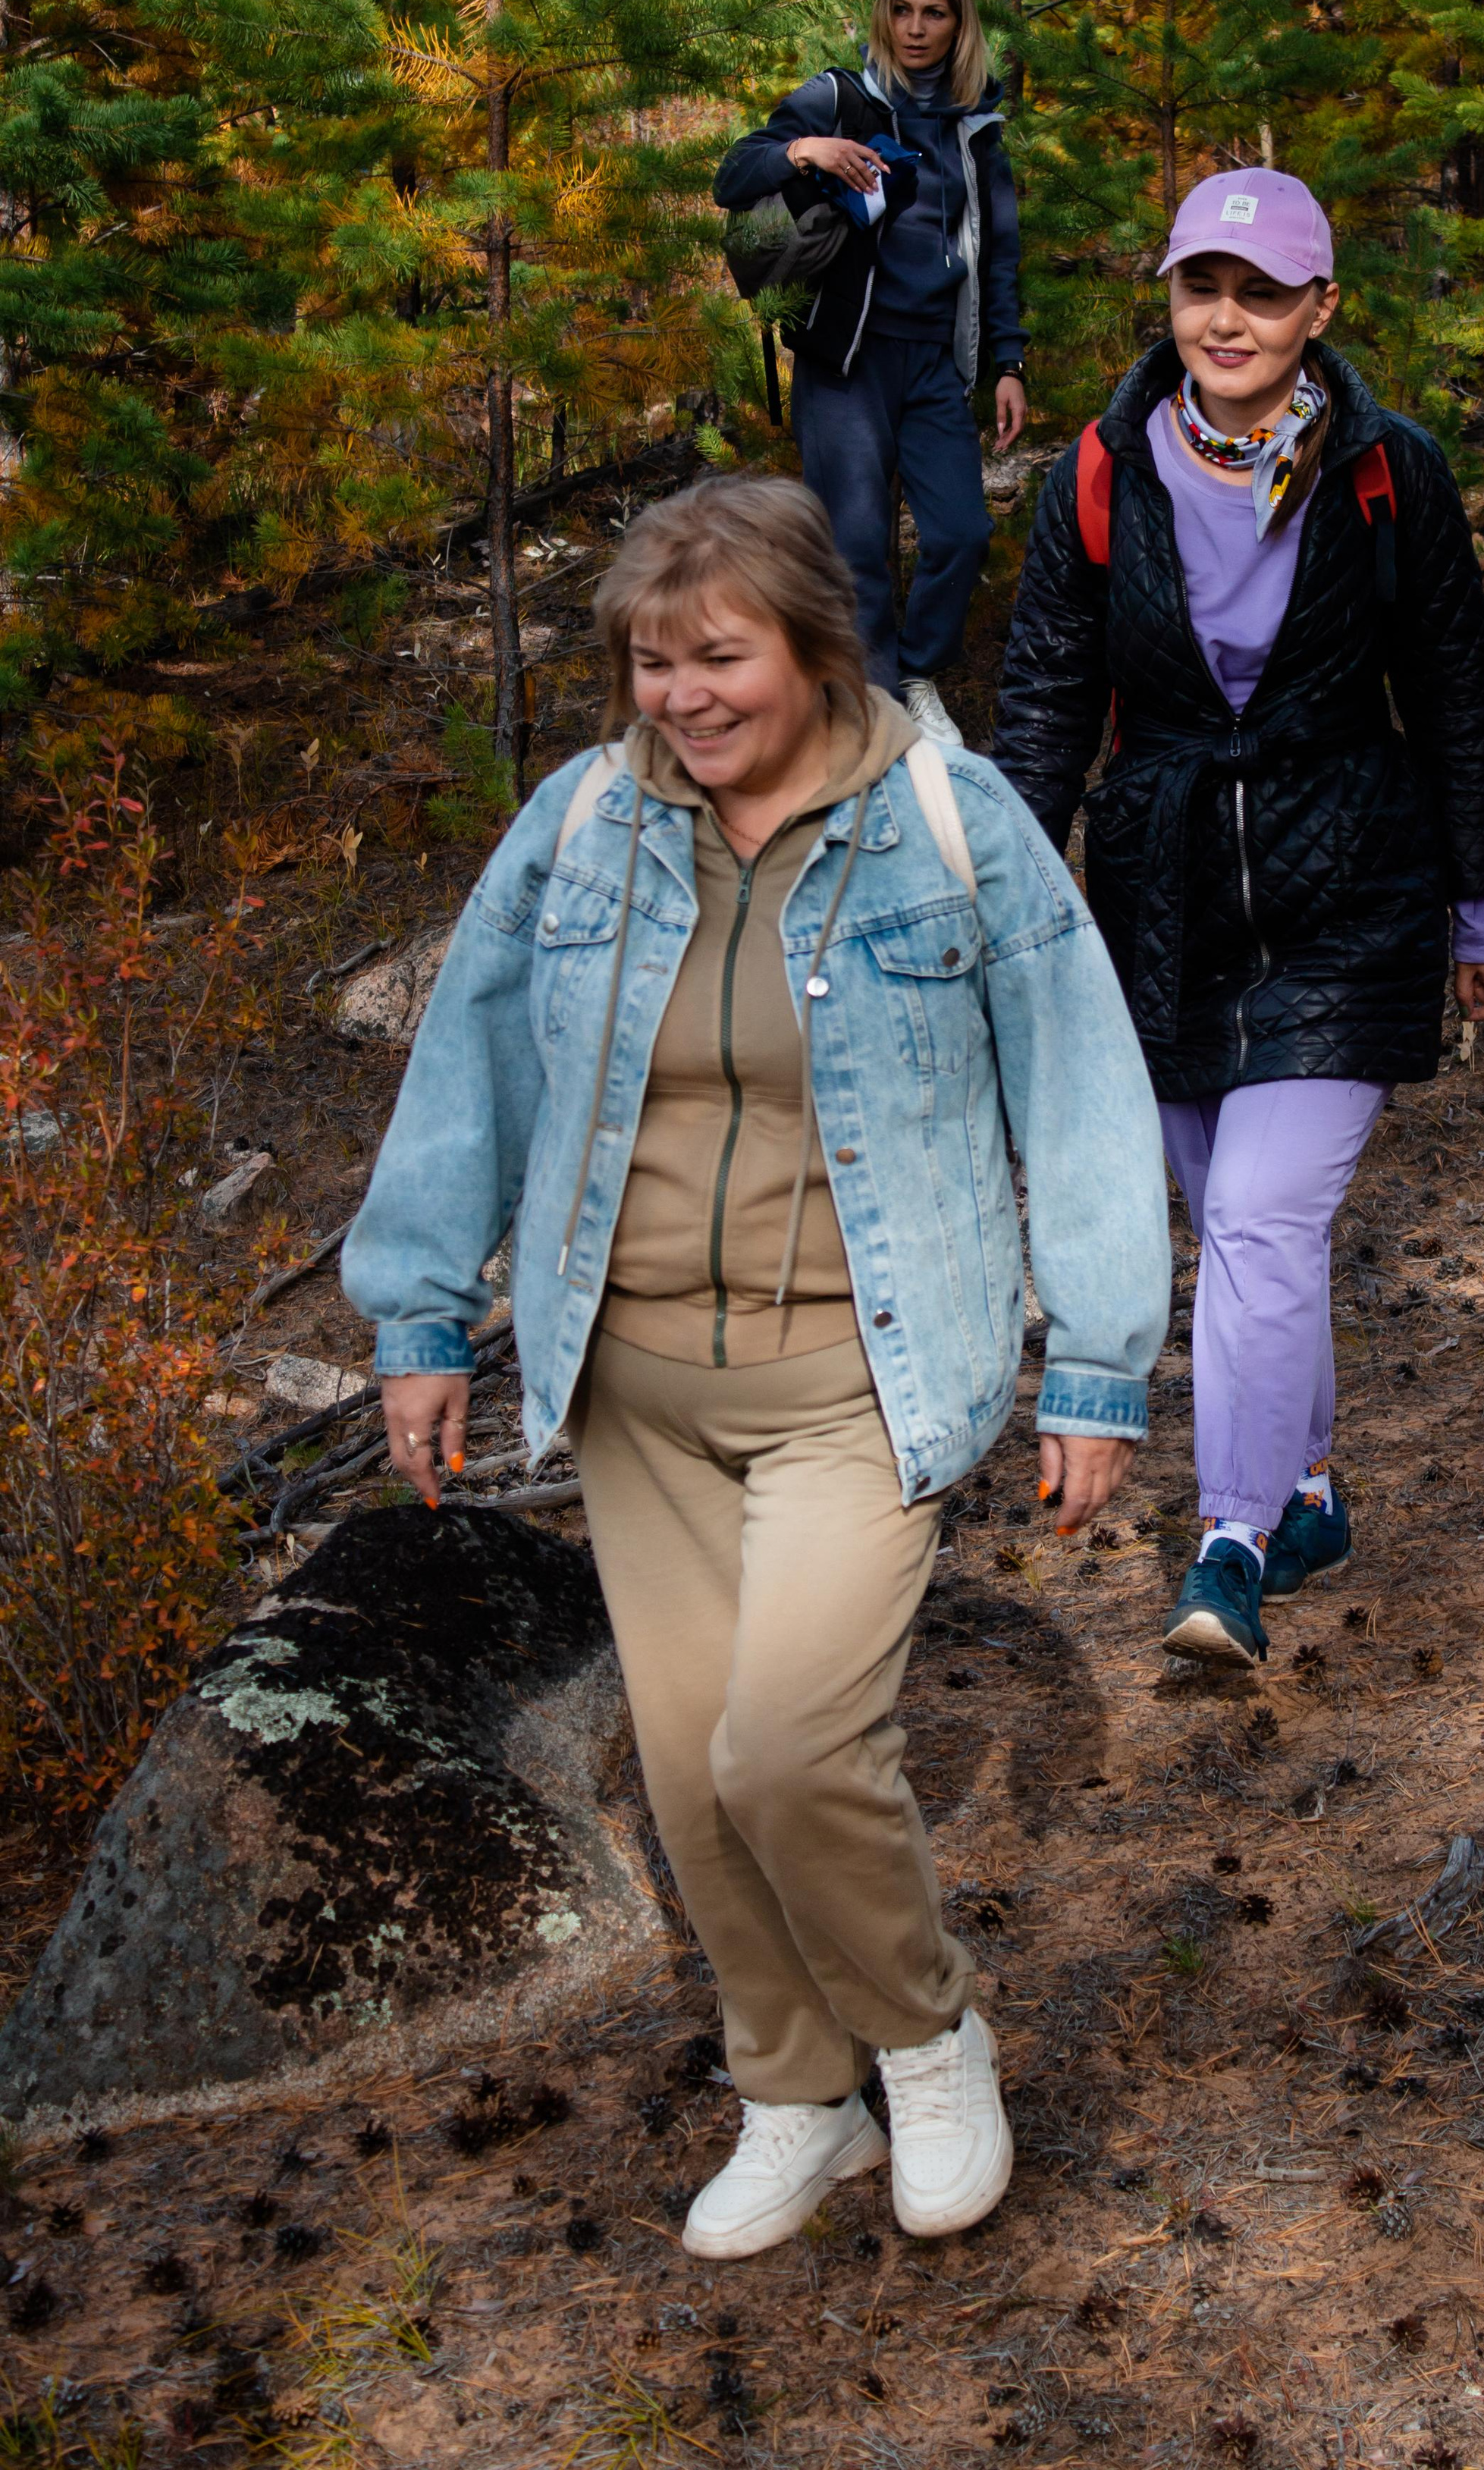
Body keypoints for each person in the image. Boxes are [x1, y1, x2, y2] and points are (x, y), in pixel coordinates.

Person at [342, 474, 1169, 2258]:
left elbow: (1080, 1080)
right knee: (690, 1772)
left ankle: (927, 2039)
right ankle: (795, 2093)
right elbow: (469, 1067)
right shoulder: (585, 825)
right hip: (631, 1386)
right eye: (652, 662)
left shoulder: (943, 822)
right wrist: (419, 1315)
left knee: (789, 1749)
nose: (682, 696)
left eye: (718, 657)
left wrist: (1097, 1362)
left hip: (856, 1378)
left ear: (812, 646)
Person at [991, 168, 1484, 1668]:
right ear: (1168, 298)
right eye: (1200, 289)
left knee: (1256, 1218)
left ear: (1318, 308)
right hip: (1161, 907)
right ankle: (1306, 1492)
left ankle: (1227, 1540)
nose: (1225, 319)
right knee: (1237, 1235)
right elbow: (1044, 706)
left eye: (1261, 293)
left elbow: (1458, 696)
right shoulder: (1100, 472)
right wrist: (1000, 911)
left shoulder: (1388, 472)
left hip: (1349, 892)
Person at [713, 0, 1027, 745]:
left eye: (934, 13)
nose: (916, 28)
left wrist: (1008, 362)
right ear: (885, 16)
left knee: (961, 532)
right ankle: (876, 703)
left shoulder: (976, 128)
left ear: (958, 25)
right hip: (845, 360)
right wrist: (803, 150)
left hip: (934, 362)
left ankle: (916, 674)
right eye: (902, 10)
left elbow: (1000, 255)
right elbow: (732, 175)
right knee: (854, 544)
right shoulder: (838, 96)